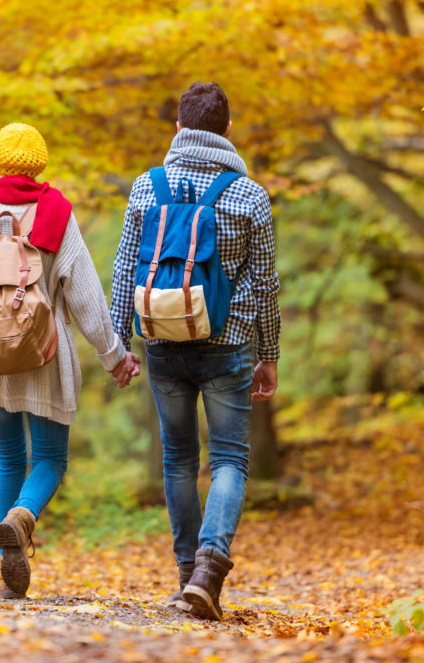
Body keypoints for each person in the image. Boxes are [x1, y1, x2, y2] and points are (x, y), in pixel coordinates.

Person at [0, 122, 140, 599]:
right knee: (50, 457)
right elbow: (88, 297)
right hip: (46, 356)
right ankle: (21, 519)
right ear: (40, 164)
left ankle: (8, 559)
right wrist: (114, 356)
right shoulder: (56, 214)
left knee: (9, 456)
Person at [109, 82, 280, 620]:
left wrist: (120, 344)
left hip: (161, 341)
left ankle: (187, 575)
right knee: (228, 457)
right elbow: (266, 283)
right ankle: (209, 570)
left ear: (179, 129)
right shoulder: (249, 195)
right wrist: (268, 352)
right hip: (227, 344)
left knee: (178, 458)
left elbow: (122, 268)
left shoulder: (146, 187)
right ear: (228, 131)